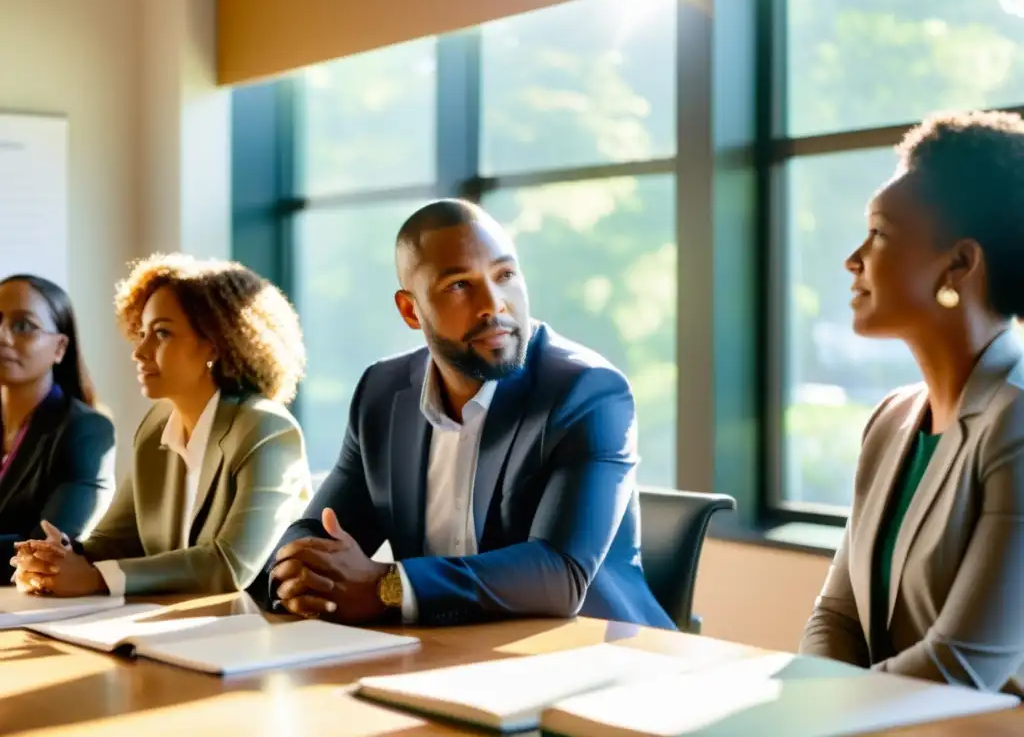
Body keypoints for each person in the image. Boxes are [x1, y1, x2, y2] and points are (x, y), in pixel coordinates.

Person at [262, 199, 673, 630]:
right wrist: (299, 574)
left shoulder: (587, 391)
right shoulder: (382, 394)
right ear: (409, 309)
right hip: (444, 650)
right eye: (459, 285)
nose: (493, 305)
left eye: (505, 276)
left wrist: (387, 586)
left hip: (592, 656)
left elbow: (560, 575)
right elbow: (319, 529)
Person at [799, 110, 1024, 694]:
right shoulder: (892, 418)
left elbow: (963, 666)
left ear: (959, 263)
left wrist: (823, 716)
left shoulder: (1018, 419)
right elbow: (837, 617)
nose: (854, 259)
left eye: (879, 233)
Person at [12, 254, 311, 596]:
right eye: (141, 333)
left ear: (216, 343)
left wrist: (96, 578)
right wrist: (59, 559)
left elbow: (229, 566)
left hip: (259, 628)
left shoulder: (265, 429)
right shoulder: (157, 427)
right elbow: (116, 540)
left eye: (162, 333)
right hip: (172, 623)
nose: (140, 351)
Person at [0, 275, 115, 582]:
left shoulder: (87, 431)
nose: (3, 337)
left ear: (60, 347)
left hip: (32, 609)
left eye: (23, 326)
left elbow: (43, 549)